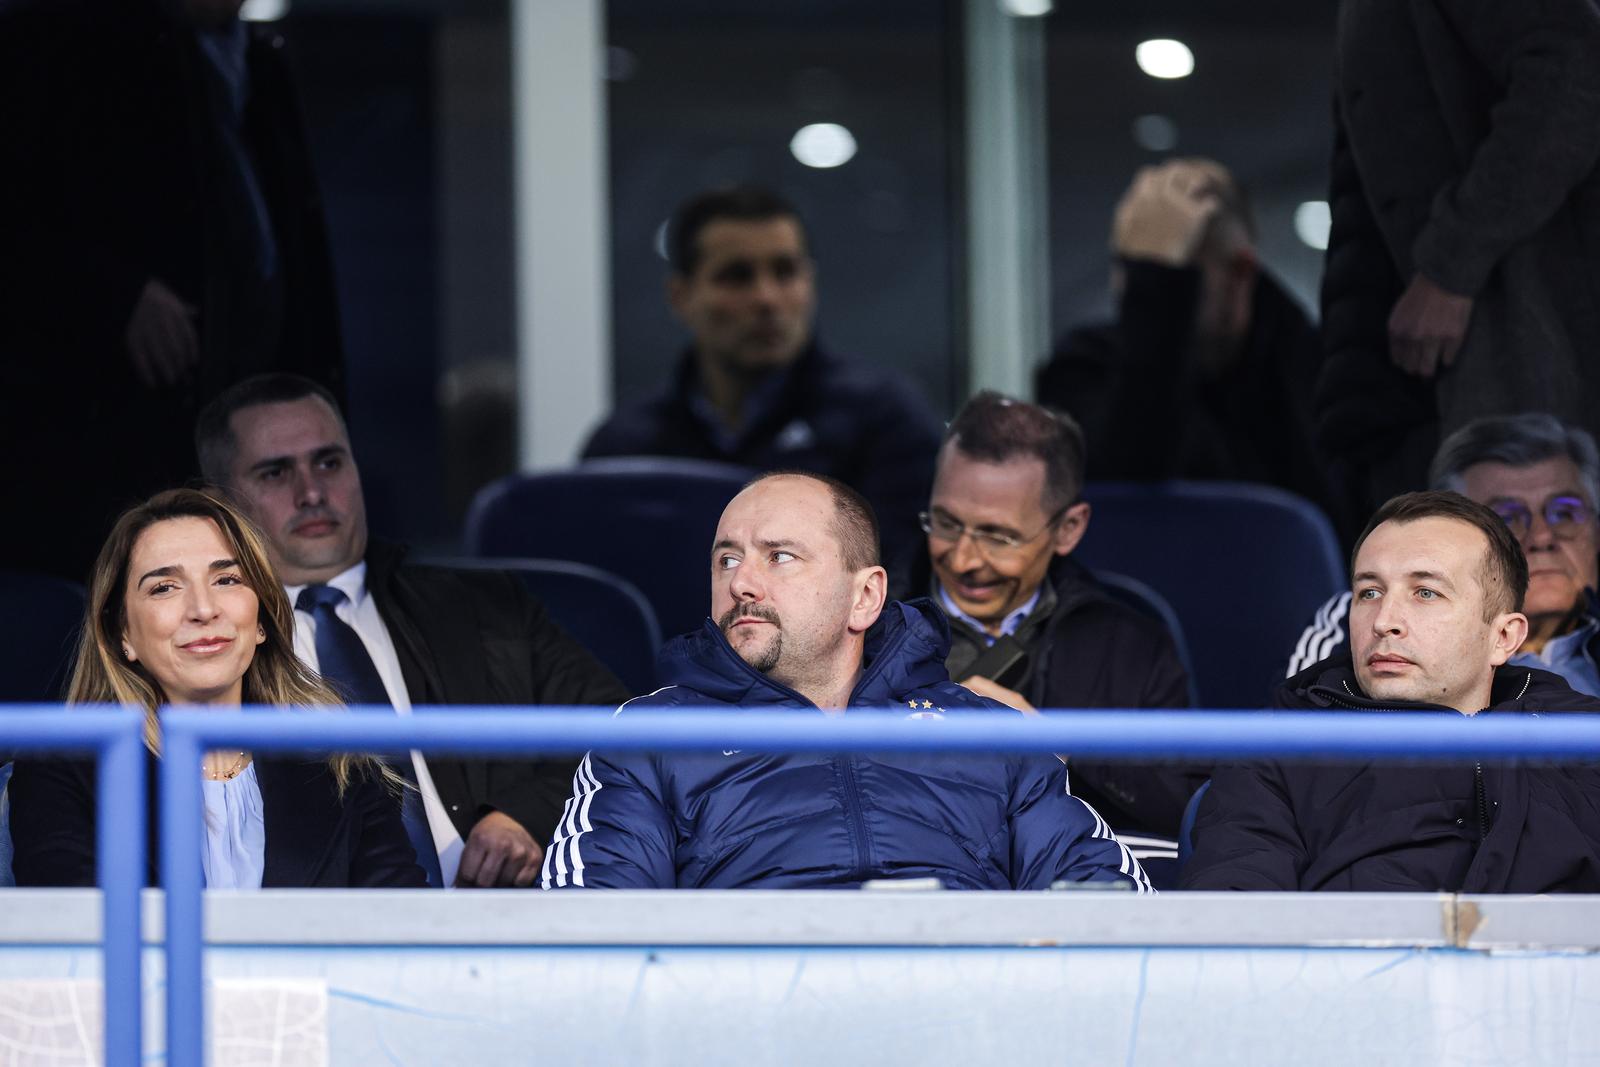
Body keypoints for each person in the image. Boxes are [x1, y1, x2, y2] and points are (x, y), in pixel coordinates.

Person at [541, 471, 1151, 892]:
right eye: (727, 559)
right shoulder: (650, 736)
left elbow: (1105, 899)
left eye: (779, 557)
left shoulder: (985, 732)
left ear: (865, 597)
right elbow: (590, 929)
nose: (742, 584)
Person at [195, 374, 631, 888]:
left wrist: (526, 815)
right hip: (313, 938)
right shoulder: (202, 640)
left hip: (499, 920)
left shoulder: (482, 607)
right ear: (220, 500)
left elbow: (623, 730)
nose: (311, 492)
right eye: (275, 473)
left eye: (329, 463)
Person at [0, 0, 345, 583]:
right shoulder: (55, 37)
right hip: (93, 442)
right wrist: (116, 295)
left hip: (243, 418)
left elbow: (295, 255)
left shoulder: (258, 60)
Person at [1184, 491, 1600, 893]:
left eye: (1425, 593)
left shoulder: (1582, 740)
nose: (1385, 621)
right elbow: (1241, 922)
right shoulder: (1280, 749)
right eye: (1369, 592)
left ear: (1503, 637)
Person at [8, 489, 424, 888]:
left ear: (261, 619)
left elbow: (404, 937)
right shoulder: (63, 772)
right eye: (164, 588)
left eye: (227, 580)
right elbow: (81, 941)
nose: (204, 610)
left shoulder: (343, 767)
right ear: (123, 634)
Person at [1315, 1, 1600, 519]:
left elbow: (1575, 71)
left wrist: (1451, 264)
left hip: (1503, 368)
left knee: (1518, 568)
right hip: (1410, 387)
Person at [580, 185, 945, 577]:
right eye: (737, 277)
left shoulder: (885, 420)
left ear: (810, 283)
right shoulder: (625, 446)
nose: (767, 298)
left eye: (785, 272)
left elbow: (900, 589)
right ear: (681, 296)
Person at [912, 392, 1201, 846]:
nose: (964, 558)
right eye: (946, 524)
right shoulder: (864, 625)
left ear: (1069, 528)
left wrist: (1063, 748)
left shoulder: (1130, 644)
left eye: (998, 536)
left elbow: (1191, 812)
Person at [1034, 159, 1339, 531]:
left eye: (1171, 271)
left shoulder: (1317, 376)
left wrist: (1163, 286)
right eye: (1130, 266)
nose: (1129, 291)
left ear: (1239, 274)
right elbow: (1129, 481)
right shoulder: (1083, 367)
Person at [1288, 414, 1600, 697]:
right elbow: (1298, 738)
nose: (1542, 537)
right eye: (1507, 519)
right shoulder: (1360, 618)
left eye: (1565, 514)